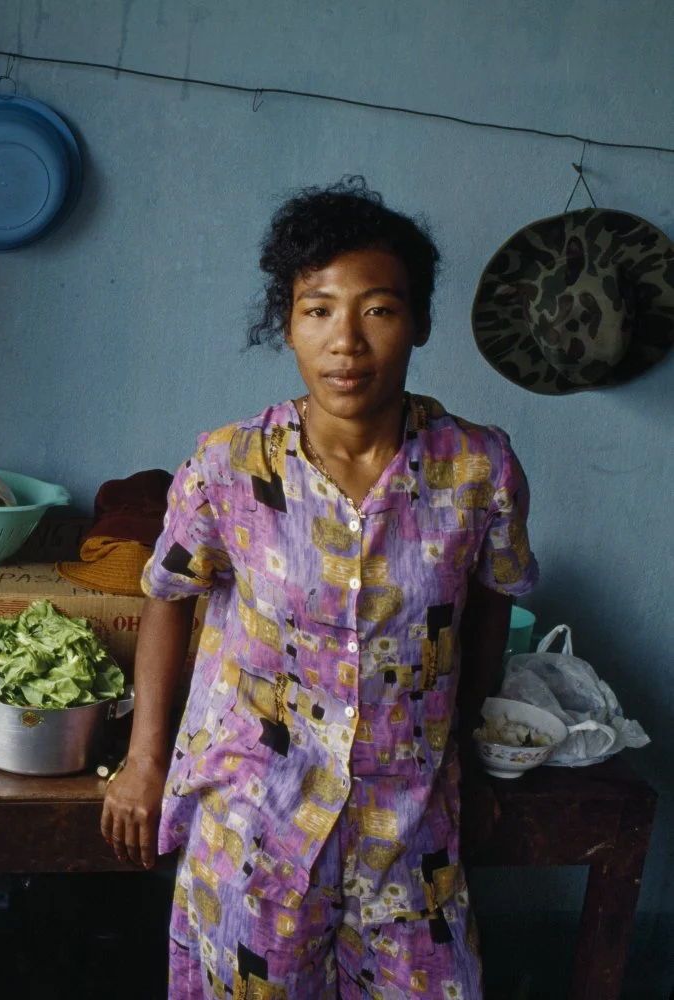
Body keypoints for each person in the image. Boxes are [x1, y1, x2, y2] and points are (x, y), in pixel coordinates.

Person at [101, 179, 537, 998]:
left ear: (420, 323)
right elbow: (168, 595)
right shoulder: (231, 466)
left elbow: (491, 603)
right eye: (318, 310)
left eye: (378, 309)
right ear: (289, 324)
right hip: (257, 820)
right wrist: (143, 759)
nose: (348, 342)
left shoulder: (479, 469)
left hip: (406, 827)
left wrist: (468, 760)